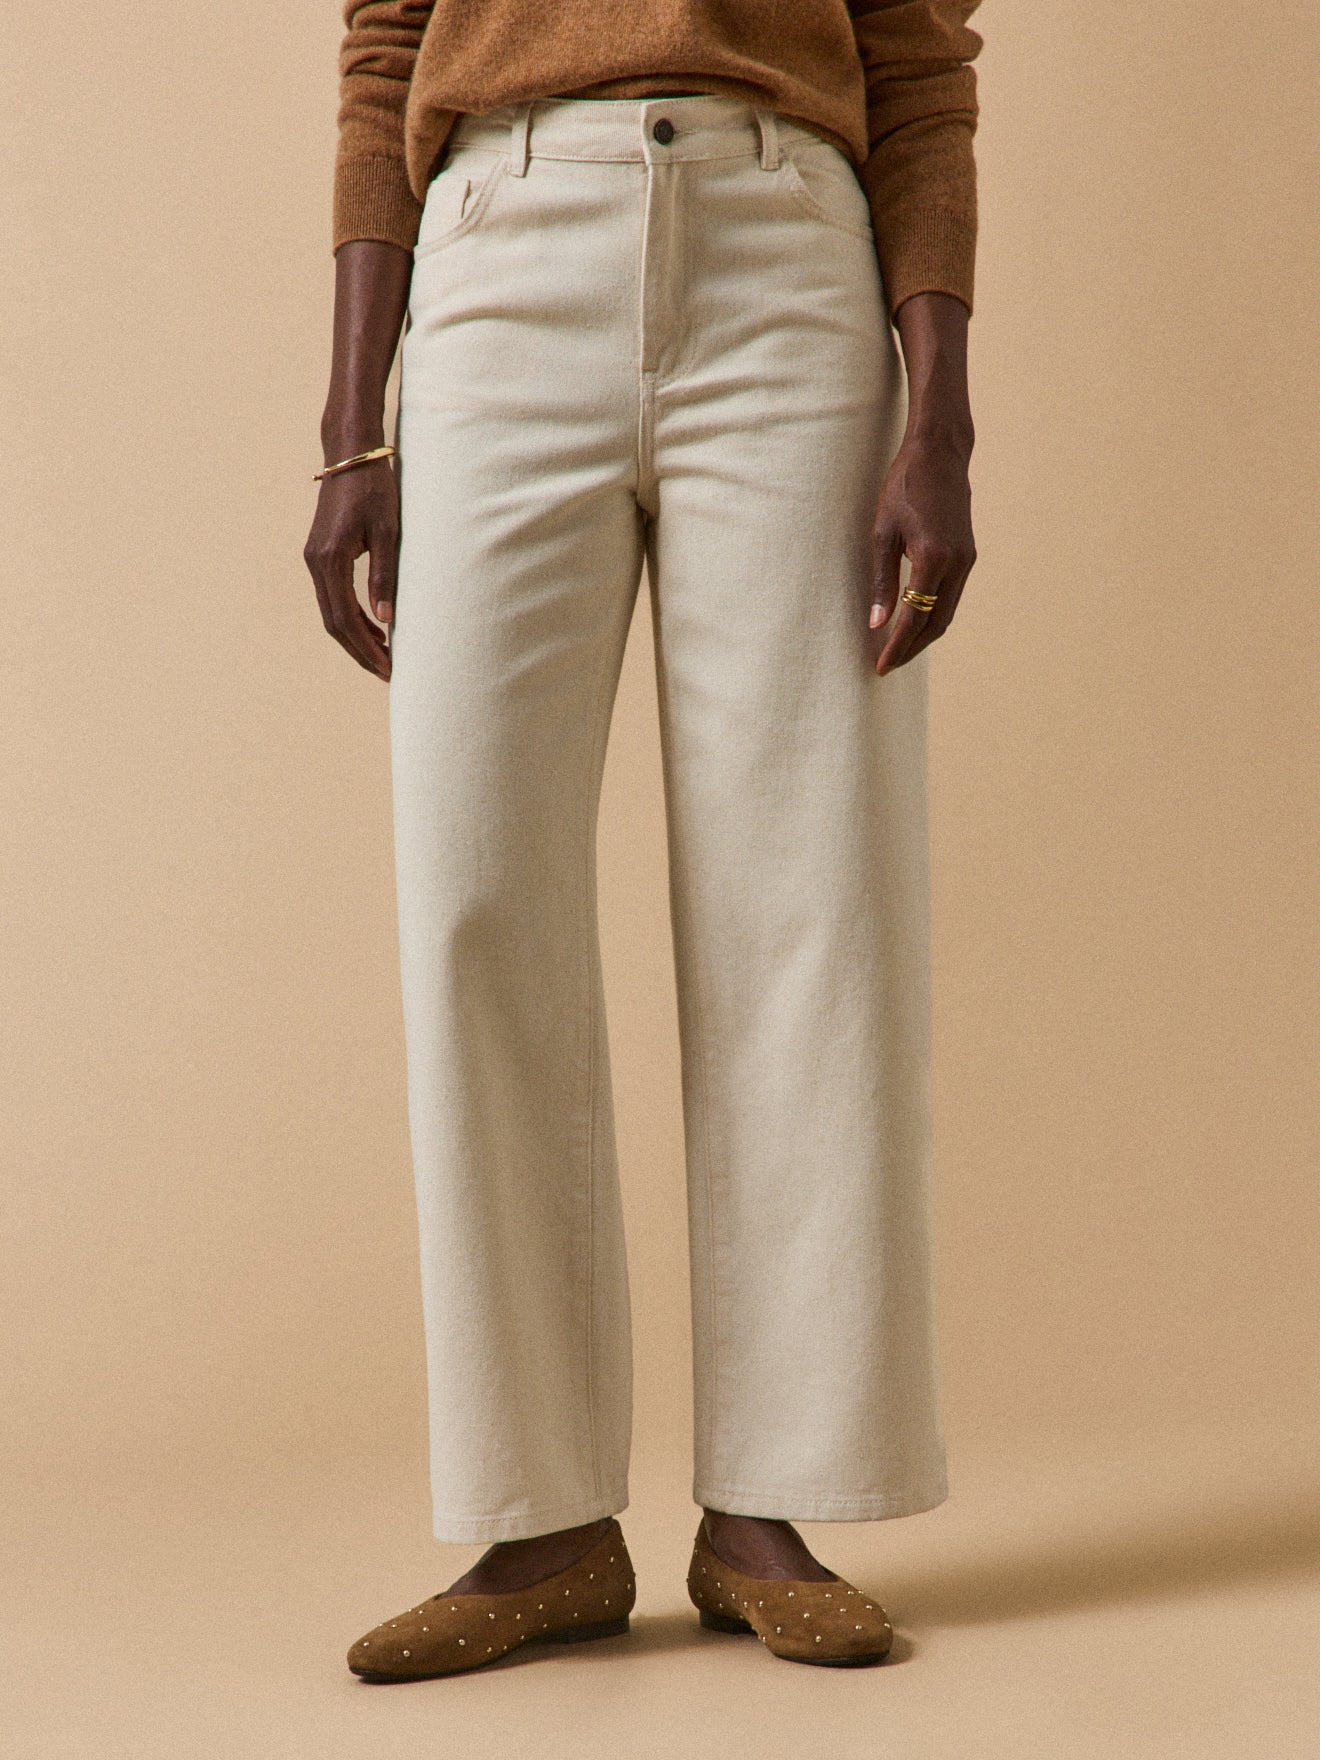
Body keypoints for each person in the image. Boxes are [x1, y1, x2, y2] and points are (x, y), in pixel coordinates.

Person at [303, 0, 981, 1677]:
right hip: (495, 249)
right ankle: (539, 1521)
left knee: (809, 893)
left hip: (787, 261)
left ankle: (770, 1502)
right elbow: (385, 50)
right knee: (474, 897)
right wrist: (352, 425)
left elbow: (919, 66)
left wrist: (942, 419)